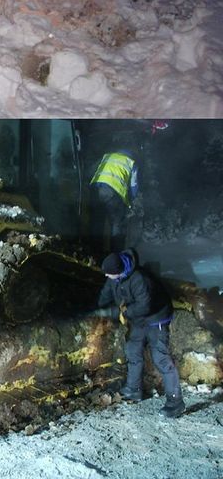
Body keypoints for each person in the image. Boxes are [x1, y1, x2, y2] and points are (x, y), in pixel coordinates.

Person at [97, 250, 185, 419]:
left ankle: (176, 402)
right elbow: (107, 291)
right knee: (132, 350)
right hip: (139, 318)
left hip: (156, 317)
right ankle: (133, 389)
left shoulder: (139, 279)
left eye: (109, 273)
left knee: (160, 358)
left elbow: (145, 306)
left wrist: (125, 313)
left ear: (119, 271)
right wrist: (99, 305)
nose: (107, 276)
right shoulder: (114, 277)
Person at [90, 150, 138, 249]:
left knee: (98, 220)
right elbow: (134, 185)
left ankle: (94, 248)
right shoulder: (131, 162)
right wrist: (132, 200)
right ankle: (115, 251)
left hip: (97, 189)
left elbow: (91, 170)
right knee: (116, 222)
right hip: (113, 193)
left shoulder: (108, 156)